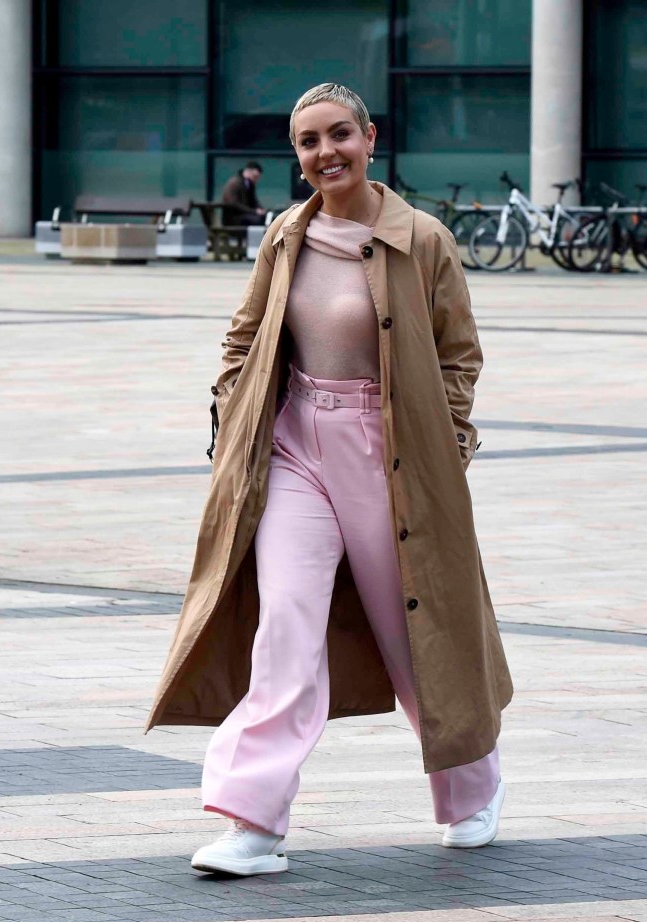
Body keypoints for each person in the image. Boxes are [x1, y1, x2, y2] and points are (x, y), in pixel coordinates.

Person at [147, 83, 513, 877]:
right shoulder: (285, 235)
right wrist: (232, 411)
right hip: (293, 450)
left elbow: (459, 354)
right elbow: (244, 336)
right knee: (283, 624)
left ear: (369, 137)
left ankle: (471, 785)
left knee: (412, 628)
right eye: (308, 142)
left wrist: (446, 436)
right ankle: (251, 817)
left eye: (338, 134)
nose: (325, 153)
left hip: (391, 453)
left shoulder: (421, 239)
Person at [221, 161, 266, 225]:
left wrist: (261, 210)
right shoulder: (234, 183)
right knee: (259, 220)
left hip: (244, 215)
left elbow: (254, 201)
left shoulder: (249, 185)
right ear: (248, 172)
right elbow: (233, 204)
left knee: (264, 218)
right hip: (233, 218)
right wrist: (255, 211)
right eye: (255, 177)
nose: (256, 180)